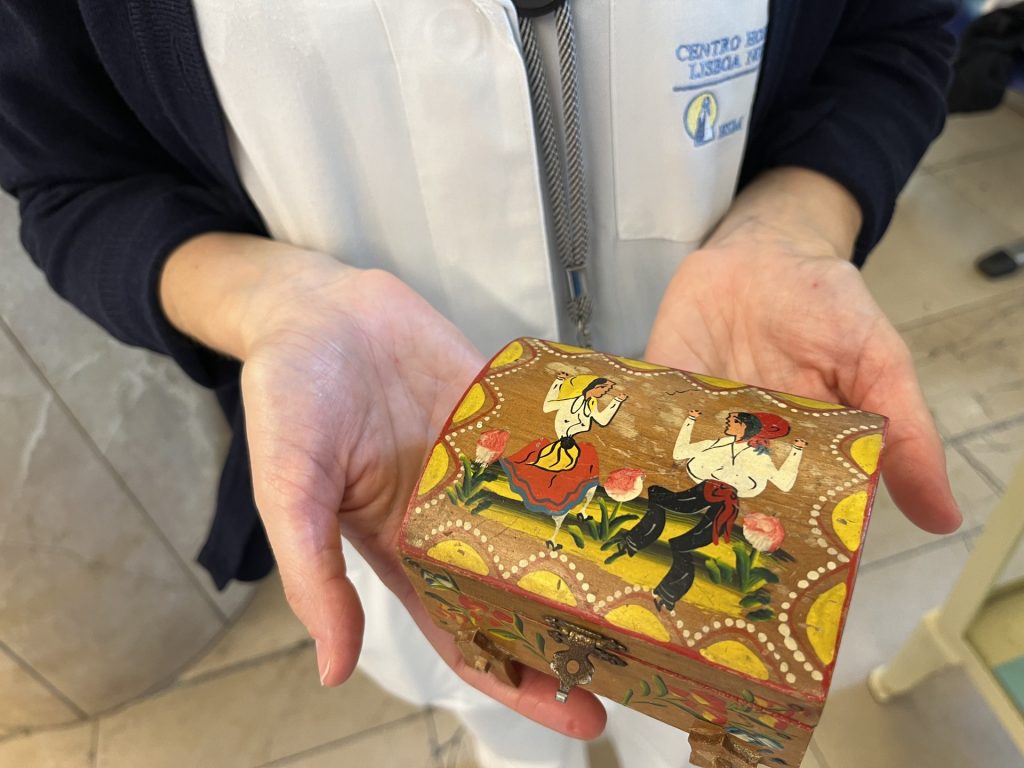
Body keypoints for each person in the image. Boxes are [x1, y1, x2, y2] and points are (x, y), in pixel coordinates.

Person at [0, 2, 963, 766]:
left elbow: (895, 34)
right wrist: (267, 303)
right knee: (510, 718)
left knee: (681, 726)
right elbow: (71, 176)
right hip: (409, 484)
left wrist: (795, 221)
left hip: (707, 465)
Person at [604, 410, 805, 613]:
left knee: (683, 545)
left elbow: (784, 483)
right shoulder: (719, 443)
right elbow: (679, 453)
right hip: (702, 490)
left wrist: (796, 451)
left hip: (725, 504)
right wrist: (690, 420)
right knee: (657, 494)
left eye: (733, 420)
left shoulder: (758, 456)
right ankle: (634, 541)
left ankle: (668, 594)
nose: (727, 421)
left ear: (745, 426)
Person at [501, 374, 627, 550]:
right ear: (593, 386)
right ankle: (552, 530)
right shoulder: (570, 401)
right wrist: (558, 382)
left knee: (587, 477)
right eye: (604, 389)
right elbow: (547, 406)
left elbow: (603, 420)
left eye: (606, 391)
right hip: (561, 448)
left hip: (573, 448)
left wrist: (616, 402)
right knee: (556, 482)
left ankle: (580, 512)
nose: (604, 392)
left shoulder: (590, 404)